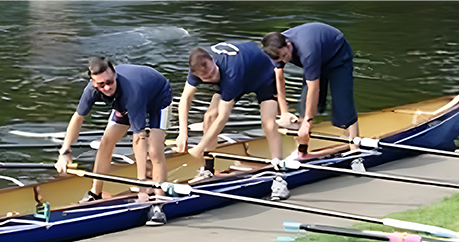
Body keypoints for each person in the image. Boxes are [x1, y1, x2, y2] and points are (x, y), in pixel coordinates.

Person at [173, 41, 291, 200]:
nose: (211, 78)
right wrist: (182, 132)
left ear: (213, 61)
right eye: (206, 78)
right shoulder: (197, 68)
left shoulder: (230, 71)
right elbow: (184, 100)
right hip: (237, 73)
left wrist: (199, 147)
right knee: (209, 117)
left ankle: (279, 175)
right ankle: (208, 169)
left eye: (212, 73)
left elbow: (223, 117)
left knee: (268, 124)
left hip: (262, 74)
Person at [55, 58, 174, 204]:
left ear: (115, 76)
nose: (106, 88)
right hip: (125, 102)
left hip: (158, 97)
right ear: (94, 83)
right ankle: (95, 193)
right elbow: (78, 118)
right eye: (101, 84)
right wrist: (65, 151)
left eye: (110, 82)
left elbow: (139, 139)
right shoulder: (90, 91)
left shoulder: (132, 92)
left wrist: (141, 187)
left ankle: (159, 196)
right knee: (106, 142)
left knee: (154, 151)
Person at [261, 22, 360, 156]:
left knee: (342, 101)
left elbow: (314, 88)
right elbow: (279, 78)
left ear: (288, 44)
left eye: (285, 56)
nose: (284, 61)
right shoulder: (274, 50)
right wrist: (284, 112)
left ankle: (354, 146)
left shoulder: (307, 50)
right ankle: (302, 150)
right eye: (280, 59)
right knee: (303, 104)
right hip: (317, 52)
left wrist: (307, 122)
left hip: (337, 54)